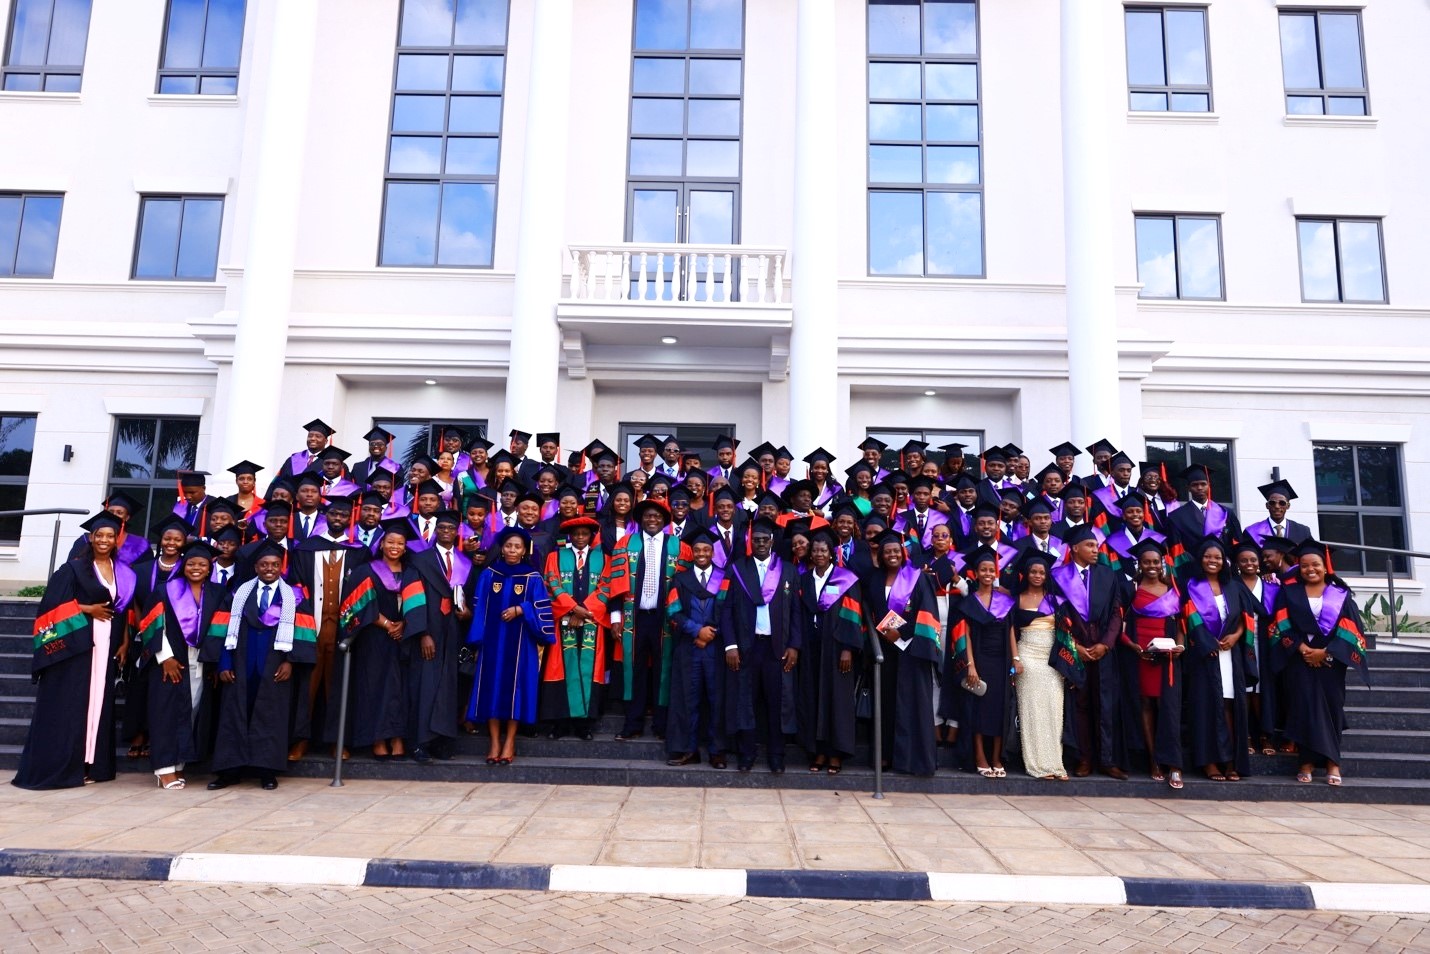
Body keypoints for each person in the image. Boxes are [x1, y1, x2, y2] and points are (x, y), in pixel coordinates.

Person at [13, 511, 138, 789]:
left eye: (110, 536)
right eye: (99, 535)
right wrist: (87, 609)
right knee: (75, 702)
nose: (104, 540)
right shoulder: (72, 569)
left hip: (107, 645)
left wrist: (125, 640)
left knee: (98, 704)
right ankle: (67, 766)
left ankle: (93, 765)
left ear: (117, 540)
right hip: (76, 646)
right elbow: (49, 607)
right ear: (91, 538)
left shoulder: (123, 572)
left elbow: (123, 609)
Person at [206, 541, 317, 791]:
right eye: (264, 564)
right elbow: (222, 630)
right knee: (233, 715)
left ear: (281, 567)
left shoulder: (294, 598)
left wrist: (290, 662)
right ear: (255, 566)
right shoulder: (237, 595)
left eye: (275, 565)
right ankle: (229, 771)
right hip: (240, 664)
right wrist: (224, 662)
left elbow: (304, 633)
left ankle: (266, 771)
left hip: (275, 666)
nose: (270, 569)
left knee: (271, 717)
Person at [1271, 540, 1369, 786]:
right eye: (1304, 565)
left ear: (1325, 567)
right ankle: (1305, 762)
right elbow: (1280, 626)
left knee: (1332, 708)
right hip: (1299, 659)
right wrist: (1303, 649)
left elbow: (1351, 629)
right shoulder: (1289, 592)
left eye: (1315, 564)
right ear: (1299, 568)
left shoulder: (1340, 595)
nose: (1310, 569)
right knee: (1303, 707)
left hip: (1331, 662)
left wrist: (1325, 652)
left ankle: (1332, 762)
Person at [136, 540, 226, 790]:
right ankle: (164, 769)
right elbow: (151, 624)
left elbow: (221, 629)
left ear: (210, 567)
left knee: (191, 711)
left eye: (202, 564)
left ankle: (178, 765)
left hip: (200, 662)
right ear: (183, 565)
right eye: (191, 563)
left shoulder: (218, 593)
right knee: (165, 712)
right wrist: (165, 658)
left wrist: (214, 661)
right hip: (170, 660)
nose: (196, 568)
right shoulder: (165, 590)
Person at [466, 527, 556, 765]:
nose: (512, 550)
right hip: (493, 641)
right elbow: (479, 608)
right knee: (491, 689)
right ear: (502, 548)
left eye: (517, 546)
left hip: (520, 643)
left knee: (515, 690)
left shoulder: (532, 577)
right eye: (508, 546)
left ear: (524, 550)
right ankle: (494, 741)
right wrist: (477, 638)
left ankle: (510, 741)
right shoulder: (489, 574)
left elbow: (542, 610)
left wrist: (521, 609)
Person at [720, 517, 802, 773]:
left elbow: (796, 611)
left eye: (765, 540)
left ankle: (776, 755)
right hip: (747, 647)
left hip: (777, 648)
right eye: (756, 540)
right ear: (750, 542)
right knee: (746, 700)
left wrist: (794, 645)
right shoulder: (736, 569)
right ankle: (747, 753)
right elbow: (726, 611)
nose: (760, 544)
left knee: (778, 702)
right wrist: (730, 645)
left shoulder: (787, 570)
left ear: (772, 542)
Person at [338, 518, 424, 760]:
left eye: (400, 543)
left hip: (403, 638)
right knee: (376, 686)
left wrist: (405, 623)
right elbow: (356, 605)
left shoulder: (411, 572)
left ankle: (397, 738)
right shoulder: (367, 570)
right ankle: (377, 738)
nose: (395, 546)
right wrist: (387, 624)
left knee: (401, 687)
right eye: (390, 542)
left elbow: (417, 605)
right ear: (381, 544)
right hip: (373, 638)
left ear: (406, 547)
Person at [608, 499, 689, 741]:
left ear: (665, 520)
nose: (652, 520)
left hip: (665, 619)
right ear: (641, 519)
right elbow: (615, 582)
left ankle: (662, 725)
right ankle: (633, 723)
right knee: (635, 669)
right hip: (635, 617)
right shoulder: (625, 544)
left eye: (657, 516)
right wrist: (615, 617)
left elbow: (684, 588)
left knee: (663, 670)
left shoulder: (679, 546)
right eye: (647, 516)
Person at [1050, 526, 1127, 779]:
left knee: (1105, 704)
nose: (1096, 550)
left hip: (1103, 649)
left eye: (1096, 546)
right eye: (1090, 546)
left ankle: (1107, 759)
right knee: (1079, 705)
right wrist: (1075, 647)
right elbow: (1056, 616)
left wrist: (1106, 643)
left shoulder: (1108, 575)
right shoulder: (1058, 576)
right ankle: (1084, 758)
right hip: (1076, 649)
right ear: (1074, 548)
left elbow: (1117, 612)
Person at [864, 528, 941, 777]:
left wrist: (903, 634)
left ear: (903, 552)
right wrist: (888, 634)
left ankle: (914, 759)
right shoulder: (873, 579)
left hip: (912, 649)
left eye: (896, 550)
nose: (892, 555)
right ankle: (886, 755)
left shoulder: (917, 578)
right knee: (886, 703)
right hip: (884, 650)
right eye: (887, 552)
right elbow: (872, 611)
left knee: (913, 704)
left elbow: (927, 612)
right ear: (881, 555)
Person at [1179, 536, 1254, 782]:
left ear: (1225, 561)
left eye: (1218, 557)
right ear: (1201, 560)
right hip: (1204, 655)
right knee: (1205, 707)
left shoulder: (1234, 586)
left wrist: (1235, 636)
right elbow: (1188, 616)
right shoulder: (1191, 585)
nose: (1213, 560)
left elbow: (1247, 618)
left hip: (1229, 656)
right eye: (1208, 557)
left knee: (1230, 707)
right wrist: (1205, 642)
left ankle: (1231, 761)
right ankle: (1210, 762)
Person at [406, 510, 475, 762]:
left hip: (453, 632)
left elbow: (470, 598)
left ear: (457, 532)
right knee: (424, 686)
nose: (446, 531)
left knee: (447, 687)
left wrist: (468, 613)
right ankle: (418, 742)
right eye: (442, 527)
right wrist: (422, 632)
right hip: (429, 631)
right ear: (436, 530)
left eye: (451, 528)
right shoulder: (420, 560)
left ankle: (441, 740)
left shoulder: (464, 562)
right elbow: (412, 597)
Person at [794, 528, 863, 775]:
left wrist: (847, 649)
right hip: (812, 648)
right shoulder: (803, 580)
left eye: (824, 550)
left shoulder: (846, 579)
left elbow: (852, 615)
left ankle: (836, 754)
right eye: (815, 550)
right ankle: (817, 751)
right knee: (812, 697)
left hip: (836, 649)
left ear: (832, 553)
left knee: (837, 700)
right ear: (810, 554)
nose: (819, 554)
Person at [1117, 539, 1184, 789]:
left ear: (1163, 563)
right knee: (1145, 704)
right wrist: (1132, 646)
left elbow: (1181, 625)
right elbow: (1120, 624)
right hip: (1140, 653)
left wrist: (1180, 646)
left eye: (1156, 561)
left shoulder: (1174, 589)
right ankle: (1153, 759)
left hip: (1167, 657)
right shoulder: (1130, 588)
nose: (1152, 566)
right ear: (1140, 564)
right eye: (1146, 562)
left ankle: (1174, 764)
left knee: (1168, 708)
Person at [539, 515, 611, 742]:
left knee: (588, 671)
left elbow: (606, 587)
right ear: (570, 536)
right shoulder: (555, 557)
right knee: (562, 668)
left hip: (591, 621)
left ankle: (584, 725)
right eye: (576, 534)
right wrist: (571, 609)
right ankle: (559, 723)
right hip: (564, 621)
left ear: (591, 536)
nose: (580, 537)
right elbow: (552, 584)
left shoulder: (604, 559)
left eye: (585, 534)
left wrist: (585, 611)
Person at [664, 526, 729, 768]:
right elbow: (672, 611)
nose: (702, 553)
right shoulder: (680, 579)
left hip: (715, 649)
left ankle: (717, 750)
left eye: (706, 549)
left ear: (713, 552)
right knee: (686, 699)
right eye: (698, 550)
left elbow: (730, 612)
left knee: (717, 699)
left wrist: (709, 633)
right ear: (692, 553)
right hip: (688, 647)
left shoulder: (724, 577)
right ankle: (687, 749)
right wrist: (695, 630)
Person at [948, 546, 1014, 778]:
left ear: (996, 573)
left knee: (999, 710)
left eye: (991, 570)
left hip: (1000, 661)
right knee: (977, 711)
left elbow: (1010, 632)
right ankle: (979, 755)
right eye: (983, 570)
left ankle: (996, 756)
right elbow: (964, 636)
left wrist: (1015, 660)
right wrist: (971, 665)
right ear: (975, 574)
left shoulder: (1005, 601)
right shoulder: (968, 604)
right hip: (980, 661)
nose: (988, 573)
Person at [1009, 551, 1067, 780]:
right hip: (1027, 657)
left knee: (1054, 712)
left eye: (1041, 572)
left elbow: (1064, 632)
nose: (1037, 575)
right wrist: (1016, 659)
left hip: (1051, 659)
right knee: (1032, 712)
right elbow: (1010, 632)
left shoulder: (1055, 600)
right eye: (1033, 571)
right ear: (1026, 573)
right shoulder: (1016, 599)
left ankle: (1055, 764)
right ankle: (1037, 765)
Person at [1242, 479, 1311, 546]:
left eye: (1282, 503)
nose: (1277, 506)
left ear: (1288, 506)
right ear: (1267, 505)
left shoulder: (1303, 531)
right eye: (1272, 503)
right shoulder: (1252, 532)